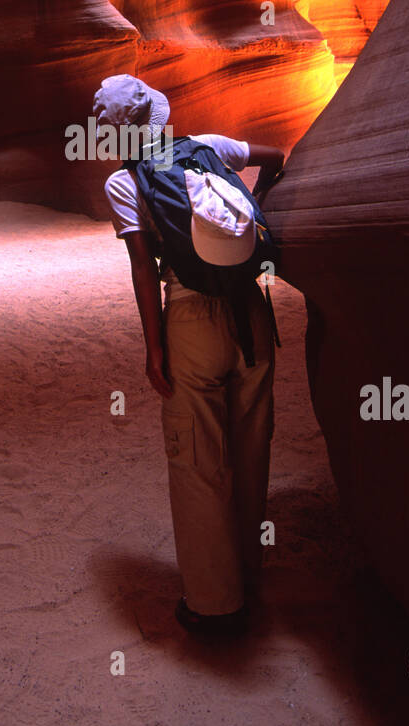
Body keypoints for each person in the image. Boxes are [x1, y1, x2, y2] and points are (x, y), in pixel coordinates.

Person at [94, 74, 285, 639]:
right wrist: (262, 204)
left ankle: (213, 603)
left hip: (190, 315)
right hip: (251, 310)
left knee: (199, 458)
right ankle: (247, 573)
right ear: (158, 113)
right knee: (251, 443)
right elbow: (274, 156)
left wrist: (154, 348)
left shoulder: (124, 182)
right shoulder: (211, 146)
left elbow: (140, 268)